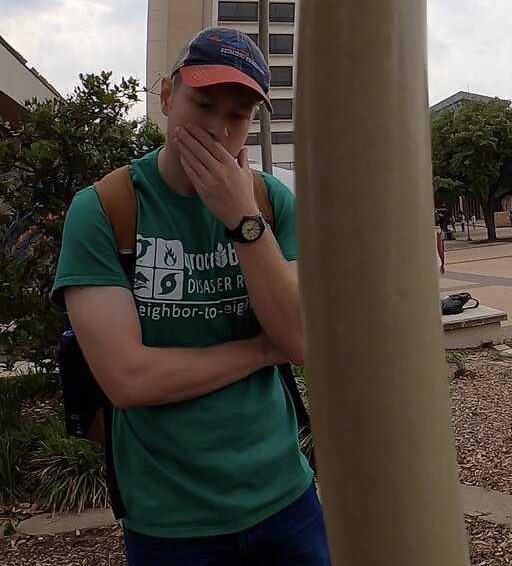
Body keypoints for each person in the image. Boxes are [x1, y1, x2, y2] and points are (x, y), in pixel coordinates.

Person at [52, 27, 329, 564]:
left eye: (239, 115)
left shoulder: (271, 204)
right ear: (165, 95)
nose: (218, 130)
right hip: (169, 519)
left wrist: (241, 220)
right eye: (203, 103)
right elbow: (128, 379)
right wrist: (259, 351)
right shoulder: (104, 210)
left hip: (284, 497)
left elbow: (297, 338)